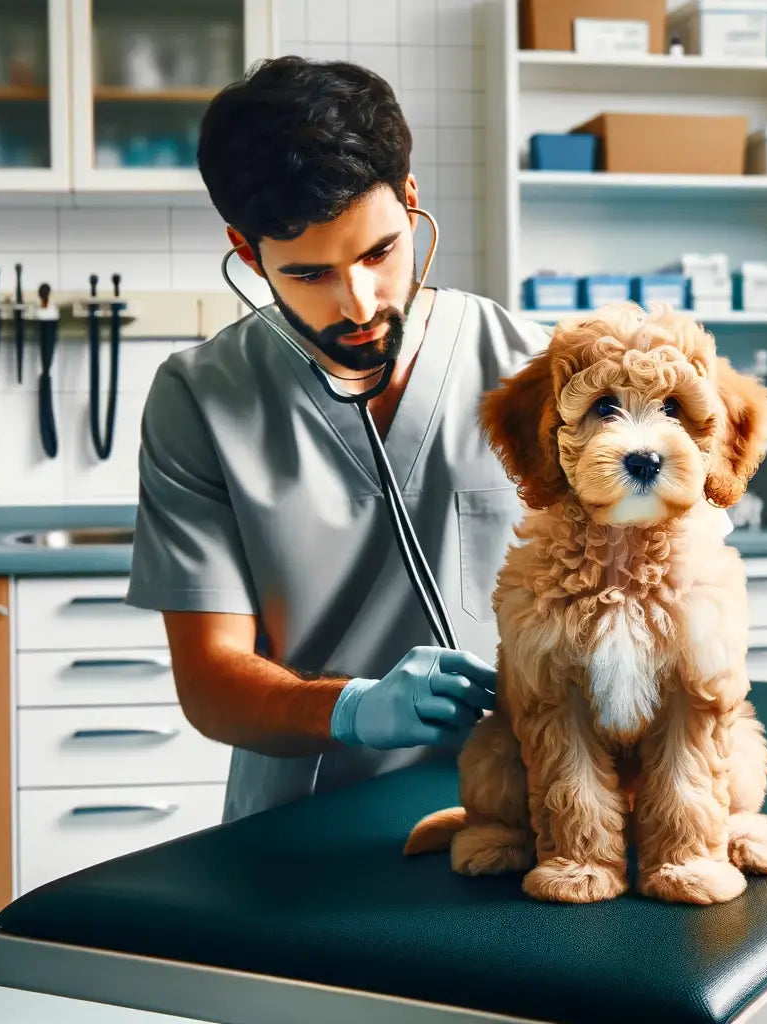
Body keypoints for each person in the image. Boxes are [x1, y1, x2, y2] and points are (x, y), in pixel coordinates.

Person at [125, 56, 548, 823]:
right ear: (248, 254)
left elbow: (676, 575)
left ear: (411, 202)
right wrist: (351, 708)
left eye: (380, 253)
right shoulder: (200, 398)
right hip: (302, 825)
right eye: (310, 273)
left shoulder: (540, 368)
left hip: (531, 810)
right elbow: (211, 679)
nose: (358, 303)